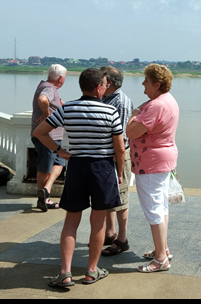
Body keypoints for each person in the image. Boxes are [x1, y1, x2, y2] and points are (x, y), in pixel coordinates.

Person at [34, 68, 125, 287]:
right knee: (98, 222)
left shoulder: (68, 109)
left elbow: (40, 132)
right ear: (98, 87)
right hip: (102, 168)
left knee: (71, 222)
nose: (105, 87)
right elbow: (120, 148)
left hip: (76, 167)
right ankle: (91, 271)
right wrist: (119, 173)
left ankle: (65, 273)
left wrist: (58, 151)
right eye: (104, 84)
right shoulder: (110, 112)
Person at [127, 63, 179, 273]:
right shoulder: (168, 100)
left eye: (146, 81)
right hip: (162, 159)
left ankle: (160, 259)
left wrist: (135, 112)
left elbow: (131, 131)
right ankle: (163, 249)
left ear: (156, 84)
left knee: (154, 208)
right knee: (161, 205)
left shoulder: (155, 106)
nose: (143, 84)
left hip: (151, 162)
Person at [99, 66, 134, 256]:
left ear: (109, 83)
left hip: (117, 155)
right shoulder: (107, 98)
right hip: (109, 155)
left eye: (102, 81)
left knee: (120, 198)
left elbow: (119, 140)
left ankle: (122, 239)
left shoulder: (120, 101)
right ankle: (110, 233)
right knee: (109, 197)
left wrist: (118, 166)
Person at [30, 64, 67, 212]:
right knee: (45, 167)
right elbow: (43, 99)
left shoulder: (49, 88)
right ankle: (43, 198)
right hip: (46, 136)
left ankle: (45, 190)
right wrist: (46, 114)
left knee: (60, 162)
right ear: (60, 78)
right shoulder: (49, 89)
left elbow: (59, 104)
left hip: (54, 136)